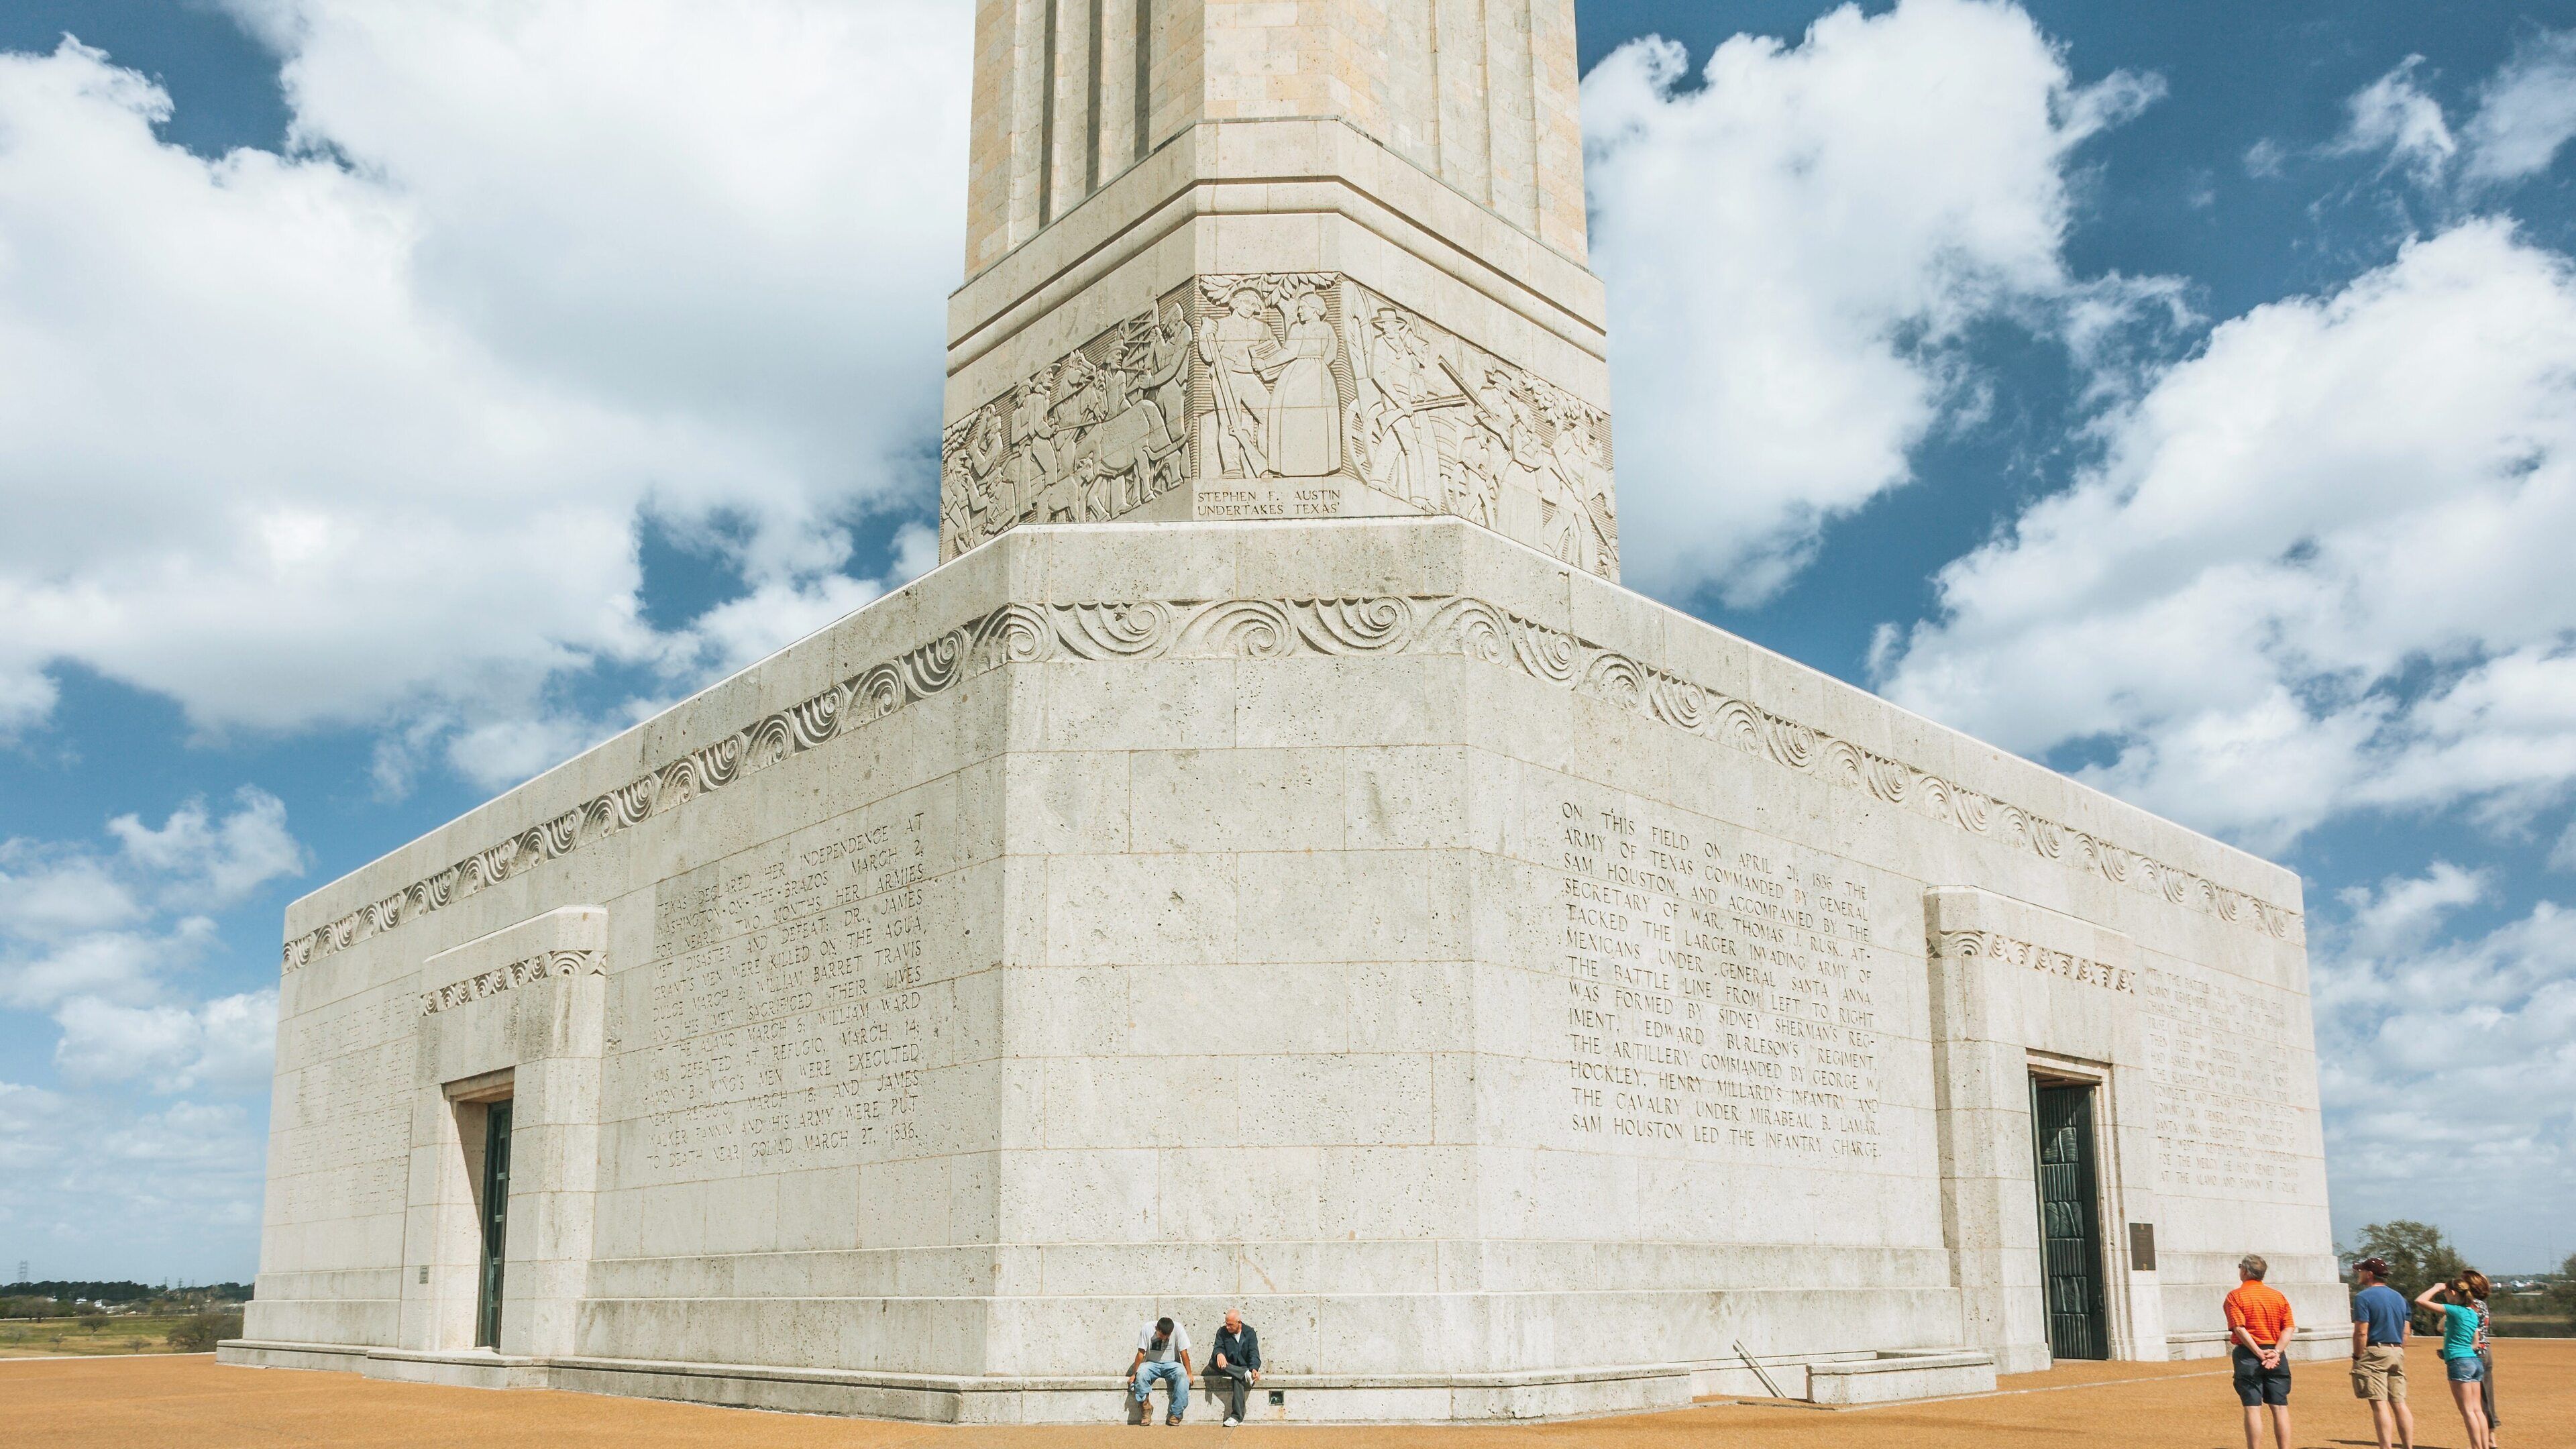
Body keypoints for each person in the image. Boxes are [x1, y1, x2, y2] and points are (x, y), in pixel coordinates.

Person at [2224, 1254, 2295, 1449]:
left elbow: (2239, 1327)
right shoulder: (2278, 1296)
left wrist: (2258, 1353)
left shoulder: (2235, 1296)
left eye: (2240, 1267)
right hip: (2275, 1353)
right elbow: (2288, 1327)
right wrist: (2277, 1352)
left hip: (2249, 1355)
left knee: (2253, 1408)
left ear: (2245, 1271)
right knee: (2280, 1407)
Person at [2417, 1277, 2492, 1449]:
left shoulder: (2454, 1310)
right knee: (2477, 1410)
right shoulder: (2472, 1313)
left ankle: (2475, 1446)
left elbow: (2420, 1301)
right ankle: (2483, 1446)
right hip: (2473, 1361)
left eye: (2445, 1293)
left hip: (2459, 1363)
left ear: (2452, 1293)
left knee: (2467, 1411)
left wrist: (2435, 1288)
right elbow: (2475, 1342)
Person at [2349, 1256, 2416, 1449]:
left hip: (2374, 1351)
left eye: (2361, 1271)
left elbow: (2361, 1331)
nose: (2359, 1274)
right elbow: (2406, 1330)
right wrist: (2398, 1350)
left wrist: (2357, 1356)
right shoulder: (2399, 1297)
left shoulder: (2364, 1297)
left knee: (2379, 1404)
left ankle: (2385, 1446)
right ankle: (2407, 1446)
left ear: (2369, 1274)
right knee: (2399, 1402)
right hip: (2396, 1350)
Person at [1127, 1316, 1193, 1425]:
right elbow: (1140, 1353)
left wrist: (1189, 1373)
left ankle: (1176, 1414)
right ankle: (1146, 1408)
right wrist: (1134, 1374)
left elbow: (1184, 1353)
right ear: (1156, 1328)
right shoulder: (1148, 1328)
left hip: (1172, 1364)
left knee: (1183, 1376)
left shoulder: (1178, 1328)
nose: (1163, 1339)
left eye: (1166, 1337)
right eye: (1161, 1336)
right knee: (1141, 1374)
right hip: (1152, 1363)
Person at [1205, 1307, 1263, 1427]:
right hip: (1227, 1366)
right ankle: (1243, 1373)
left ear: (1239, 1323)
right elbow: (1217, 1347)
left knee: (1238, 1379)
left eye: (1230, 1325)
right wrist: (1219, 1354)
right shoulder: (1222, 1331)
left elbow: (1254, 1353)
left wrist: (1254, 1369)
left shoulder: (1249, 1333)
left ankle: (1236, 1417)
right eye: (1226, 1324)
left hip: (1242, 1367)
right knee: (1213, 1361)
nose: (1227, 1327)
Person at [2465, 1269, 2502, 1446]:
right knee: (2488, 1395)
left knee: (2477, 1400)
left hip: (2474, 1353)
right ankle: (2491, 1436)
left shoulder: (2472, 1305)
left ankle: (2484, 1439)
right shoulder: (2483, 1304)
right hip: (2486, 1351)